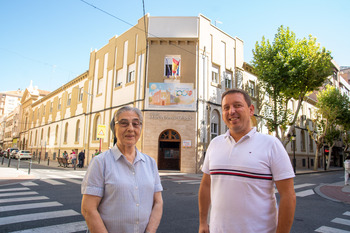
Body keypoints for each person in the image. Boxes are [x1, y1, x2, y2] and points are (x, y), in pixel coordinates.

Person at [198, 88, 296, 233]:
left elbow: (288, 195)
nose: (231, 111)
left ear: (251, 110)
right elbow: (206, 185)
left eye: (237, 105)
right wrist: (202, 222)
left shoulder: (271, 144)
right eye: (226, 107)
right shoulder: (215, 144)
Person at [81, 106, 163, 233]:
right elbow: (88, 209)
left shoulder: (150, 163)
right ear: (114, 128)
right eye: (124, 123)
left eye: (135, 124)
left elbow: (158, 203)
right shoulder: (100, 162)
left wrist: (150, 231)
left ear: (140, 128)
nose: (130, 128)